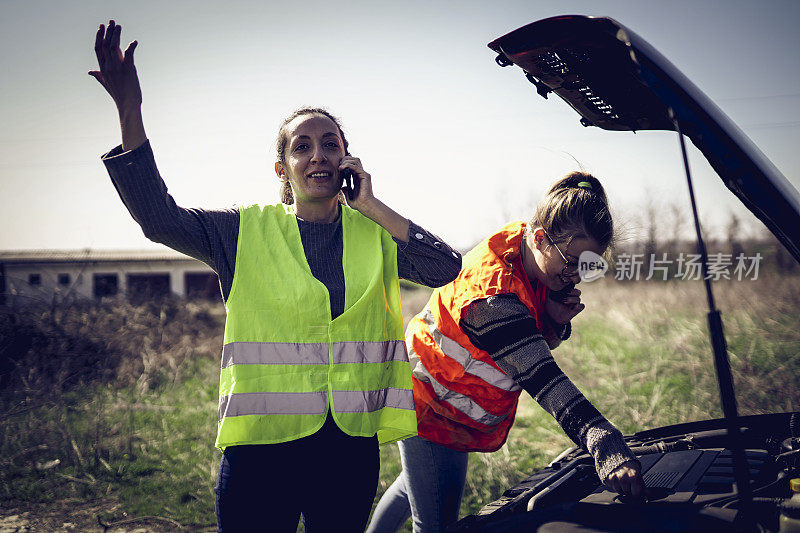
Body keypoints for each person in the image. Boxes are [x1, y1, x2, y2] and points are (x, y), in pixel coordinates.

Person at [89, 20, 462, 532]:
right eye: (302, 147)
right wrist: (128, 110)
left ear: (347, 159)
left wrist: (371, 203)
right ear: (282, 169)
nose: (318, 155)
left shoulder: (374, 230)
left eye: (330, 144)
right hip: (262, 451)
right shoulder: (242, 232)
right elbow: (157, 217)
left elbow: (446, 268)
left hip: (348, 448)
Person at [367, 172, 646, 533]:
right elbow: (543, 378)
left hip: (450, 398)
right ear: (542, 239)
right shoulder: (491, 297)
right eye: (573, 262)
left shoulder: (525, 247)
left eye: (591, 265)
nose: (578, 276)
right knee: (436, 524)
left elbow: (521, 345)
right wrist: (604, 440)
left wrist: (554, 323)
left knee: (414, 486)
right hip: (430, 401)